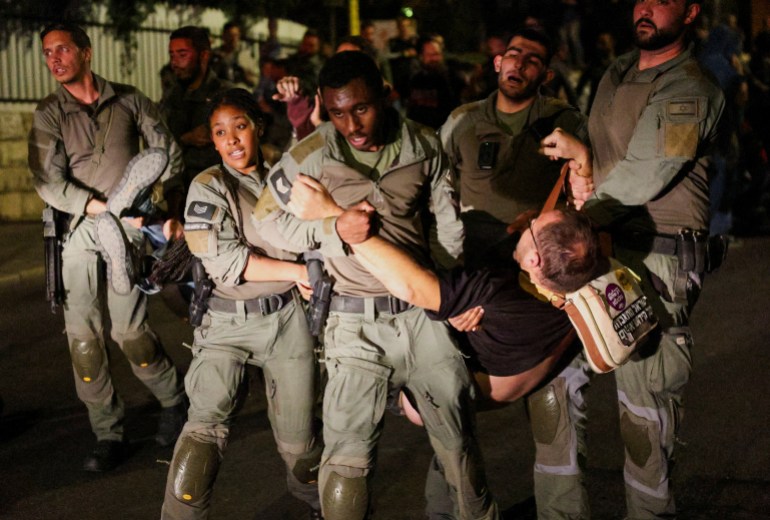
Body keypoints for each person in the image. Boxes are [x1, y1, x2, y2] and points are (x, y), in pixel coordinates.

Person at [258, 51, 498, 520]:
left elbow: (447, 230)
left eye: (361, 108)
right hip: (353, 324)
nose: (352, 124)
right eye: (338, 113)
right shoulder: (311, 154)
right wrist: (329, 232)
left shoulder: (424, 146)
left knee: (459, 449)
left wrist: (449, 295)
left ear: (385, 94)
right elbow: (265, 220)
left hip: (419, 315)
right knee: (346, 464)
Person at [538, 1, 725, 517]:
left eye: (662, 0)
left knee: (642, 416)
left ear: (689, 12)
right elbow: (606, 156)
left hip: (655, 257)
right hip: (593, 244)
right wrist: (579, 158)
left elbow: (647, 172)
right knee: (551, 388)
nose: (645, 8)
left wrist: (566, 226)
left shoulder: (692, 88)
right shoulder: (617, 70)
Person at [28, 22, 187, 472]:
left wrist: (162, 204)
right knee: (85, 342)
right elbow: (48, 181)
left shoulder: (131, 100)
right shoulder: (49, 112)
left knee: (130, 333)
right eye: (46, 53)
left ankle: (174, 399)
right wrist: (100, 208)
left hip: (131, 227)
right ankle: (107, 432)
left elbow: (167, 154)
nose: (54, 59)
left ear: (86, 52)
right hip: (77, 229)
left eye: (62, 49)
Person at [160, 89, 323, 520]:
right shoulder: (208, 186)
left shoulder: (283, 173)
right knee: (202, 437)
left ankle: (318, 503)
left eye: (240, 126)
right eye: (220, 132)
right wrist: (297, 273)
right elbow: (226, 262)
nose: (231, 139)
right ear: (211, 142)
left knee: (301, 447)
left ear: (257, 127)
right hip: (227, 324)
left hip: (287, 321)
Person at [439, 27, 589, 270]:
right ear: (498, 62)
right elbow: (436, 187)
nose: (518, 65)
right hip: (473, 258)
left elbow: (588, 190)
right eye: (513, 55)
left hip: (539, 258)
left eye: (532, 61)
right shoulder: (462, 121)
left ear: (546, 76)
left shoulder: (566, 123)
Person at [162, 26, 233, 192]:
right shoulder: (172, 96)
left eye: (182, 55)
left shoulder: (225, 94)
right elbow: (160, 141)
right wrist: (186, 138)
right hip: (177, 189)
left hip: (217, 186)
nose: (174, 62)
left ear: (204, 56)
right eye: (172, 55)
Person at [404, 35, 464, 129]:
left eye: (436, 54)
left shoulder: (452, 77)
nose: (434, 59)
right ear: (420, 56)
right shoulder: (415, 79)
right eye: (429, 55)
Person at [210, 21, 258, 89]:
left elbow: (254, 81)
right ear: (224, 36)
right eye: (230, 35)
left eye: (236, 35)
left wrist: (243, 72)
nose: (233, 39)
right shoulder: (215, 54)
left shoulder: (245, 56)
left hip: (239, 93)